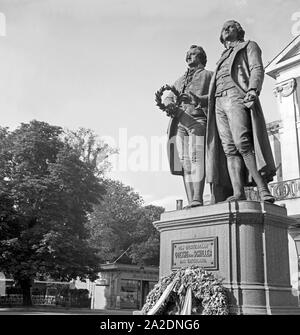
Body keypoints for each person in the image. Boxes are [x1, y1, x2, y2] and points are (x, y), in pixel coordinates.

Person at [198, 20, 276, 203]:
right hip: (218, 102)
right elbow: (212, 89)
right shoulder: (221, 58)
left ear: (239, 31)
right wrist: (197, 100)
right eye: (223, 28)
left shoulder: (249, 46)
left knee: (242, 142)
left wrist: (253, 89)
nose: (225, 29)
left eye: (230, 26)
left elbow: (257, 68)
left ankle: (263, 189)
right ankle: (238, 192)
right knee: (229, 149)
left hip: (236, 96)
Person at [164, 45, 213, 207]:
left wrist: (197, 99)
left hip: (198, 120)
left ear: (201, 57)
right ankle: (191, 199)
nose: (189, 57)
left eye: (193, 54)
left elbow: (215, 96)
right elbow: (169, 97)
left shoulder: (209, 75)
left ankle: (198, 197)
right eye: (188, 55)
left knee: (196, 158)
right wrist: (168, 104)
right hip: (179, 123)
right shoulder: (179, 80)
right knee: (185, 162)